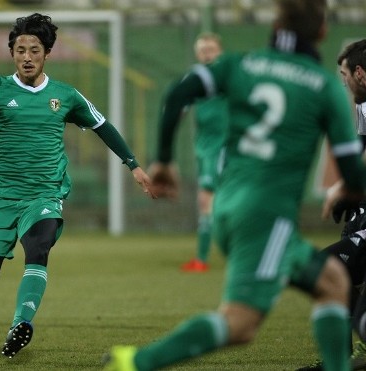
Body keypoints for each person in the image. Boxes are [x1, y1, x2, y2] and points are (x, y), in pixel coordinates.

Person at [103, 0, 366, 370]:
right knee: (240, 323)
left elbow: (178, 93)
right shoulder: (322, 85)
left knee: (331, 282)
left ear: (275, 23)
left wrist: (163, 160)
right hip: (267, 216)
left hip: (228, 202)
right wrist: (349, 191)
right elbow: (353, 169)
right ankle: (134, 362)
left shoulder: (241, 64)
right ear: (322, 31)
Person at [0, 13, 156, 359]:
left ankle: (22, 323)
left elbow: (102, 125)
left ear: (47, 52)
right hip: (0, 197)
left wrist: (133, 165)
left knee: (40, 248)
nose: (27, 57)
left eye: (34, 49)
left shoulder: (65, 95)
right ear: (12, 54)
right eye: (20, 50)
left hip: (45, 195)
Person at [298, 38, 366, 371]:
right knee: (332, 275)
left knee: (329, 271)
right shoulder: (364, 106)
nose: (342, 82)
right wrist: (347, 191)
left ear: (360, 74)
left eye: (344, 75)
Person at [149, 32, 228, 273]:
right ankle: (204, 258)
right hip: (205, 147)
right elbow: (175, 108)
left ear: (220, 52)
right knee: (210, 202)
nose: (207, 54)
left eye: (211, 49)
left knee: (209, 200)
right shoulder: (195, 83)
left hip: (224, 146)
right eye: (202, 50)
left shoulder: (226, 77)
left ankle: (203, 259)